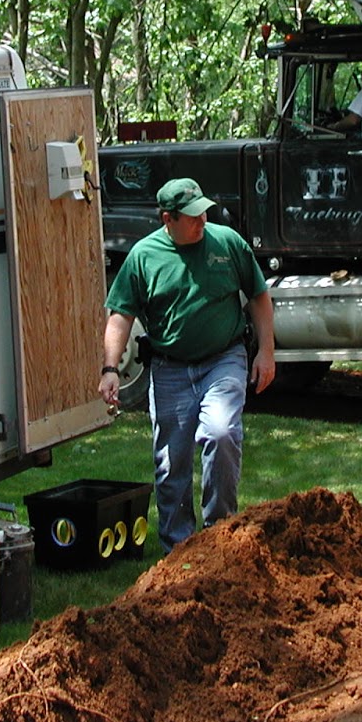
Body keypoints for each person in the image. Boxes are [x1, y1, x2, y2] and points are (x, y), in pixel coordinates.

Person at [98, 178, 276, 552]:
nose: (202, 220)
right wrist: (111, 368)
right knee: (171, 464)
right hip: (170, 368)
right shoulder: (144, 257)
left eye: (204, 212)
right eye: (192, 216)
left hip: (223, 358)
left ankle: (219, 534)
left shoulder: (227, 243)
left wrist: (266, 351)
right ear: (168, 218)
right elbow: (120, 317)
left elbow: (259, 295)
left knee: (221, 432)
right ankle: (178, 548)